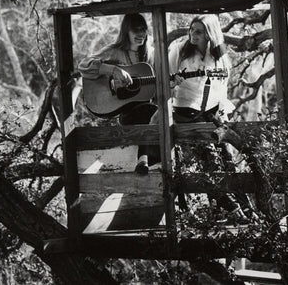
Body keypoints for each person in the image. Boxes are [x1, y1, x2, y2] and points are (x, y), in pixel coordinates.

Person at [170, 14, 258, 224]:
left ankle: (246, 210)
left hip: (211, 114)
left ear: (210, 34)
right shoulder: (179, 52)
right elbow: (164, 82)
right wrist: (173, 82)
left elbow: (220, 91)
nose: (193, 34)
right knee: (210, 161)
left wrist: (221, 119)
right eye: (192, 30)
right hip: (186, 113)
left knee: (227, 160)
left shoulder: (219, 57)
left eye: (198, 31)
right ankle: (233, 210)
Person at [78, 13, 157, 175]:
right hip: (126, 113)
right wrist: (113, 70)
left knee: (154, 111)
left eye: (144, 30)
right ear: (126, 31)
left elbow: (157, 83)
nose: (141, 34)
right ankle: (145, 158)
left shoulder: (151, 54)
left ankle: (145, 159)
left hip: (146, 111)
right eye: (136, 30)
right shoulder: (114, 52)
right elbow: (84, 65)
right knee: (150, 111)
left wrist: (171, 82)